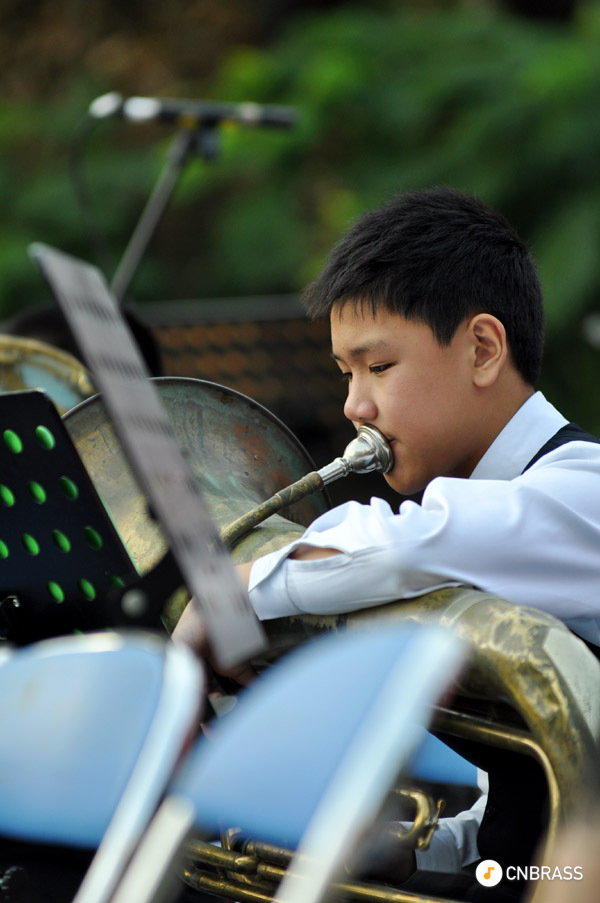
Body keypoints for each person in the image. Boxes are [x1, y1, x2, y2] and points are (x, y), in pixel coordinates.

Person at [173, 186, 600, 894]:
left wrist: (231, 590)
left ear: (483, 350)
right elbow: (522, 813)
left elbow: (402, 546)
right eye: (346, 374)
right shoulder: (495, 530)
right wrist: (411, 854)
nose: (354, 405)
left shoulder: (582, 488)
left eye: (379, 367)